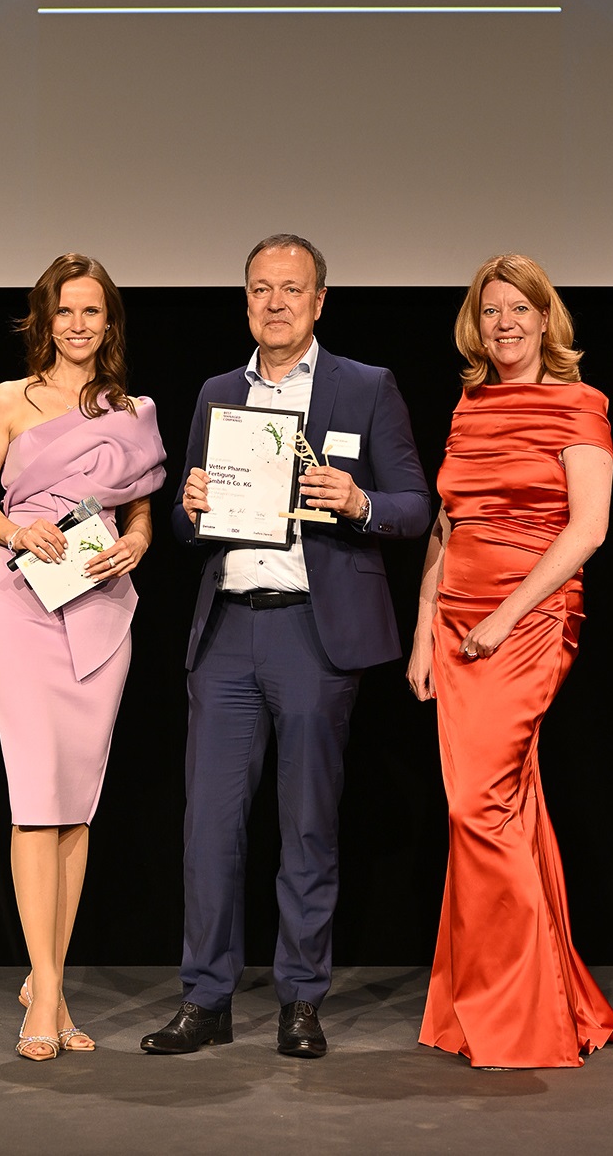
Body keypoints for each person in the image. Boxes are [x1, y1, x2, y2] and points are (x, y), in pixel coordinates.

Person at [140, 234, 431, 1059]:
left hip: (313, 631)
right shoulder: (215, 391)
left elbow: (415, 504)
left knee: (305, 828)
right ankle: (205, 998)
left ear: (319, 301)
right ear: (244, 301)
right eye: (260, 289)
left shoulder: (364, 387)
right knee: (210, 828)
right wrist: (189, 506)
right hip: (229, 630)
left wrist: (357, 498)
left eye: (290, 289)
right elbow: (184, 522)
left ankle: (301, 1000)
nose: (274, 302)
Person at [407, 253, 613, 1070]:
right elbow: (447, 524)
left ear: (546, 319)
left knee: (481, 809)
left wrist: (504, 616)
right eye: (490, 310)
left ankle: (511, 1017)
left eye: (518, 310)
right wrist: (424, 630)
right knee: (509, 809)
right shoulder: (470, 406)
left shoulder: (579, 404)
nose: (504, 323)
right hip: (459, 626)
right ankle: (526, 1000)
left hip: (528, 621)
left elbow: (588, 529)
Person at [0, 253, 165, 1061]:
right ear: (42, 320)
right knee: (33, 796)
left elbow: (142, 508)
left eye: (92, 312)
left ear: (109, 323)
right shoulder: (8, 401)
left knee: (76, 803)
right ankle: (44, 992)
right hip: (20, 608)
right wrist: (17, 530)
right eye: (64, 311)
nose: (78, 325)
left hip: (98, 608)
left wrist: (138, 544)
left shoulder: (132, 409)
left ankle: (48, 980)